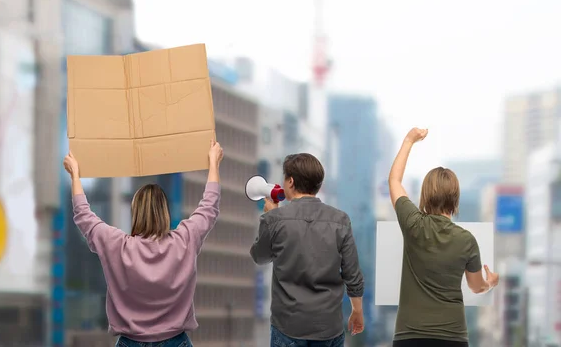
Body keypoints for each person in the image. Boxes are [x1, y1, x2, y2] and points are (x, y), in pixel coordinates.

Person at [62, 140, 224, 347]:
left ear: (135, 213)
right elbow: (209, 206)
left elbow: (83, 215)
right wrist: (213, 164)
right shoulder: (185, 240)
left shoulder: (117, 246)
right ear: (164, 213)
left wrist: (75, 174)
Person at [388, 128, 500, 347]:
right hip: (452, 337)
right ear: (455, 198)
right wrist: (491, 283)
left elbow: (394, 181)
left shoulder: (414, 223)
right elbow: (477, 287)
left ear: (426, 195)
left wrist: (409, 140)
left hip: (410, 336)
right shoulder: (466, 240)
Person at [250, 153, 365, 347]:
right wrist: (357, 311)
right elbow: (352, 274)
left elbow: (259, 257)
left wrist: (268, 218)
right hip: (328, 326)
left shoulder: (275, 219)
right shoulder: (341, 220)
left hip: (287, 326)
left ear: (291, 181)